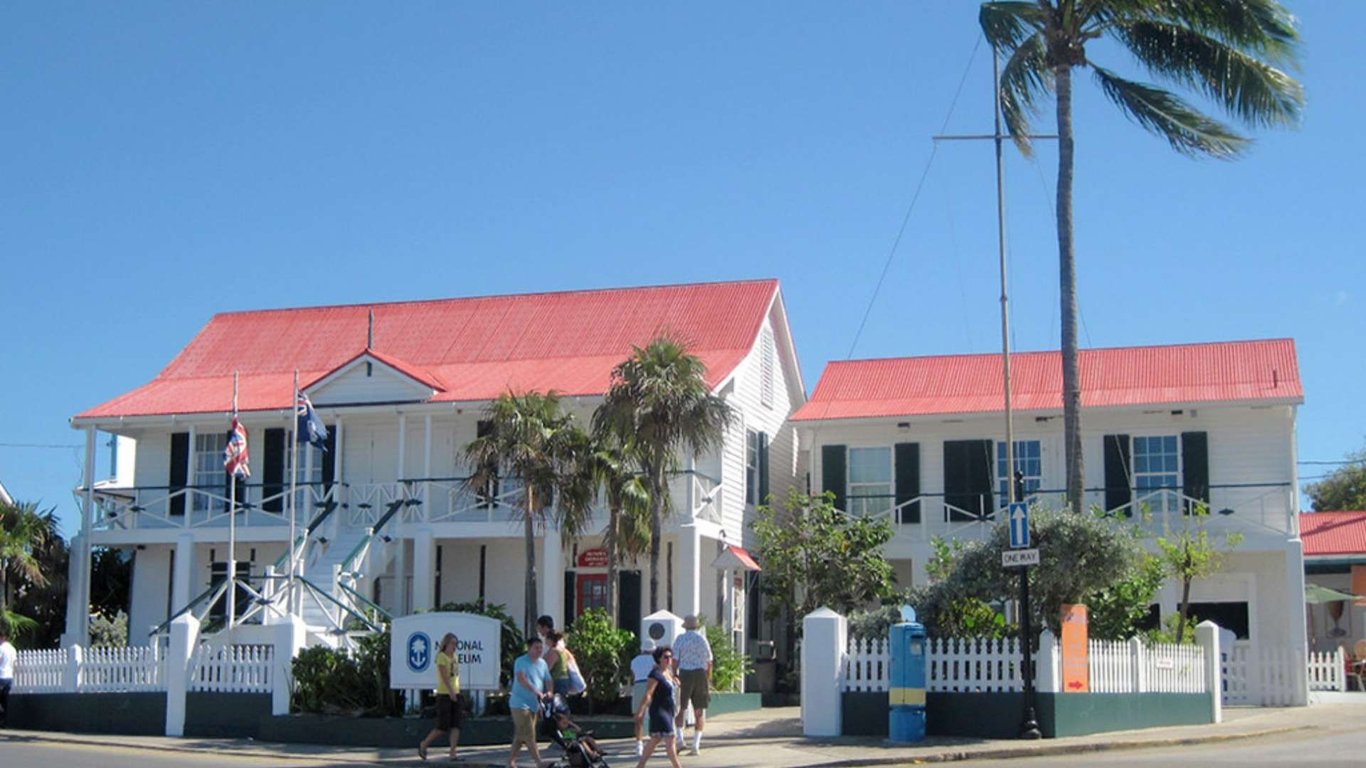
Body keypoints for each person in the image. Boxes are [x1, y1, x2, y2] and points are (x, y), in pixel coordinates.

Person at [508, 636, 553, 768]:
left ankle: (511, 762)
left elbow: (548, 679)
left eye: (541, 648)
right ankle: (539, 763)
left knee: (520, 734)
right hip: (519, 703)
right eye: (536, 647)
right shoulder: (520, 661)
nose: (539, 650)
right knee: (528, 734)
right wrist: (536, 691)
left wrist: (549, 691)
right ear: (529, 648)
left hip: (534, 704)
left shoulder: (542, 663)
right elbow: (522, 679)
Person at [672, 615, 713, 755]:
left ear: (685, 626)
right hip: (700, 673)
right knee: (699, 710)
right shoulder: (703, 639)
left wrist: (674, 674)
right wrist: (708, 678)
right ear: (696, 626)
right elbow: (709, 660)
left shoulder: (680, 639)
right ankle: (696, 745)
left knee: (681, 708)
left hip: (685, 673)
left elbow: (675, 659)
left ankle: (680, 740)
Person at [418, 633, 463, 762]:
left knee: (456, 725)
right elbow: (444, 677)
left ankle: (453, 752)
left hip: (456, 692)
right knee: (443, 726)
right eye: (452, 643)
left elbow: (455, 676)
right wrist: (451, 692)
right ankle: (424, 744)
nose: (454, 646)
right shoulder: (442, 657)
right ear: (446, 644)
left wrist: (457, 691)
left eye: (456, 644)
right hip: (445, 694)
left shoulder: (454, 657)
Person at [634, 646, 681, 768]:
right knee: (670, 740)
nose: (669, 659)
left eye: (670, 657)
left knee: (655, 739)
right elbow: (649, 693)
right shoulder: (655, 674)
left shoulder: (669, 673)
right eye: (665, 657)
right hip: (660, 711)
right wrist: (641, 710)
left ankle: (640, 765)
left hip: (669, 710)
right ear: (659, 659)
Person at [629, 640, 657, 757]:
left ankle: (639, 745)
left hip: (638, 685)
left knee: (638, 717)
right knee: (655, 716)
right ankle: (652, 743)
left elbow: (633, 676)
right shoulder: (655, 660)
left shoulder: (634, 660)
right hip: (652, 685)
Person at [544, 630, 571, 697]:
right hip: (563, 680)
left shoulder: (554, 651)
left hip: (557, 681)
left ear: (550, 639)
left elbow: (547, 668)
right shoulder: (561, 650)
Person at [0, 629, 15, 729]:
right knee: (4, 700)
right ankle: (4, 722)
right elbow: (13, 664)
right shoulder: (13, 649)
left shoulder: (1, 648)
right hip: (9, 677)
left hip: (1, 676)